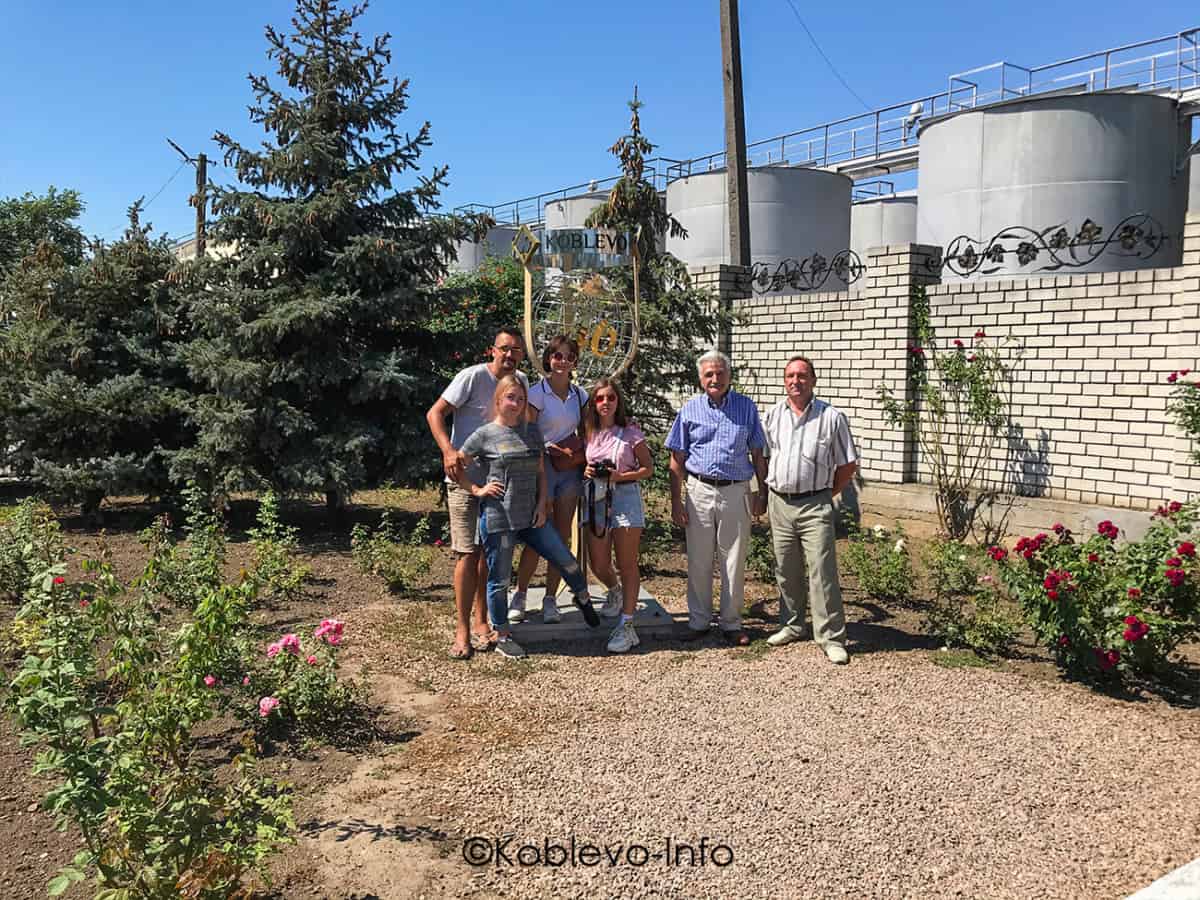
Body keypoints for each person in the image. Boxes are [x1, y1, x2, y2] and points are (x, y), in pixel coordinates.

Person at [456, 375, 600, 659]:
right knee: (498, 580)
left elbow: (541, 470)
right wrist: (476, 489)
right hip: (500, 518)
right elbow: (457, 463)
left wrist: (542, 503)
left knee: (565, 560)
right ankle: (503, 634)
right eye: (511, 398)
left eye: (521, 399)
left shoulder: (531, 431)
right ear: (498, 400)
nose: (516, 403)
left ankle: (582, 597)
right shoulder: (484, 434)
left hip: (531, 515)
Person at [426, 327, 529, 659]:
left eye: (516, 350)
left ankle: (482, 619)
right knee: (466, 554)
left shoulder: (521, 382)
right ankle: (462, 629)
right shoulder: (470, 378)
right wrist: (447, 450)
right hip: (465, 480)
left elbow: (524, 424)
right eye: (505, 349)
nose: (510, 355)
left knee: (490, 554)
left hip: (500, 484)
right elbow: (435, 413)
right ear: (493, 351)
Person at [666, 349, 767, 646]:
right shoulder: (689, 410)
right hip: (698, 490)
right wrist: (675, 502)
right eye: (709, 374)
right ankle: (698, 621)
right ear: (700, 378)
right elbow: (676, 460)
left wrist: (761, 492)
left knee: (734, 560)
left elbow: (758, 453)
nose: (715, 379)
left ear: (729, 376)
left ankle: (732, 623)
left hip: (736, 490)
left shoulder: (746, 408)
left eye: (720, 373)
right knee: (698, 559)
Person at [762, 355, 858, 664]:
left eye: (802, 376)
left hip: (815, 503)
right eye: (790, 376)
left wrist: (826, 494)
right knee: (785, 568)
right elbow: (762, 457)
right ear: (784, 380)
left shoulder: (832, 417)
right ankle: (792, 625)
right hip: (779, 503)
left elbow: (847, 464)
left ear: (813, 380)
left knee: (822, 571)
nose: (795, 381)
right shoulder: (772, 415)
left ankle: (831, 637)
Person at [509, 335, 587, 625]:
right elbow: (526, 430)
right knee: (539, 533)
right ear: (548, 359)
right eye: (557, 356)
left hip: (569, 470)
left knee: (562, 537)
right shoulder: (538, 393)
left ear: (574, 361)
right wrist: (546, 448)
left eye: (568, 356)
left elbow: (590, 431)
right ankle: (521, 593)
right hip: (543, 467)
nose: (562, 361)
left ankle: (551, 598)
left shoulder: (581, 395)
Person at [581, 378, 654, 653]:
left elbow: (648, 468)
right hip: (596, 498)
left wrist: (620, 475)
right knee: (598, 562)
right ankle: (615, 591)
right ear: (593, 403)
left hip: (624, 497)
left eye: (610, 398)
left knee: (627, 564)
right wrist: (587, 471)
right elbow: (583, 462)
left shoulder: (630, 431)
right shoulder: (589, 430)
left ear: (618, 401)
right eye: (600, 398)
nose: (605, 403)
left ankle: (627, 624)